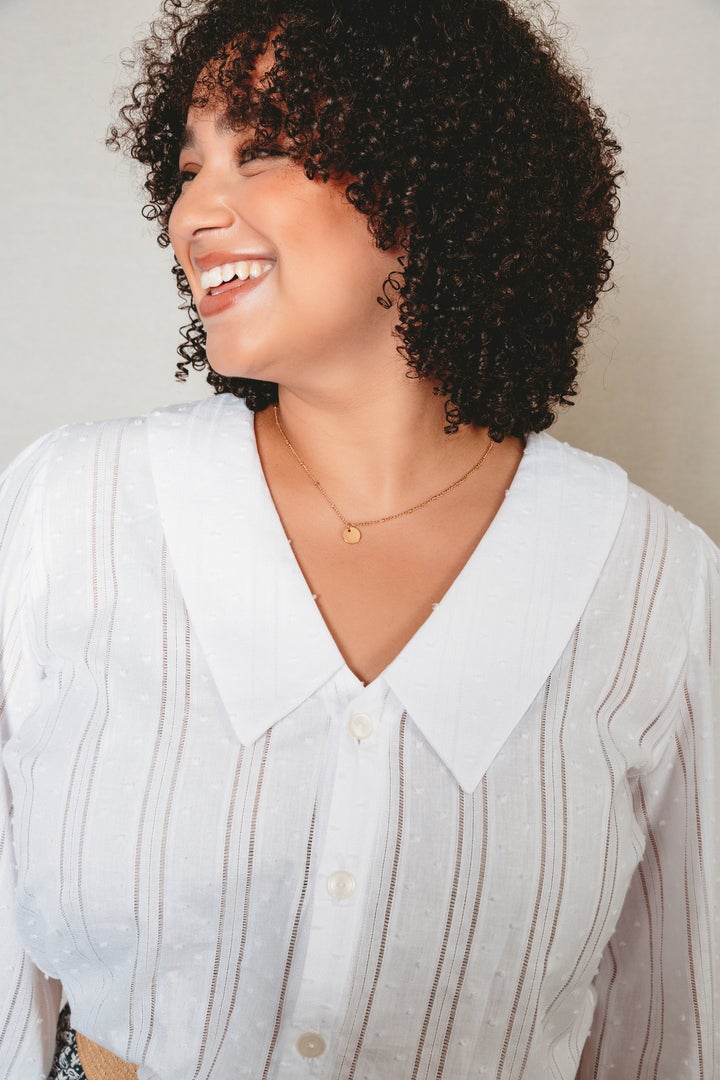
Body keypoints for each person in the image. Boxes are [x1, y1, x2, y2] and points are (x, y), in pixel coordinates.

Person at [0, 0, 717, 1077]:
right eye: (188, 170)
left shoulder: (659, 587)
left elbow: (676, 1032)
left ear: (432, 174)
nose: (194, 213)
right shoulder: (73, 510)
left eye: (263, 151)